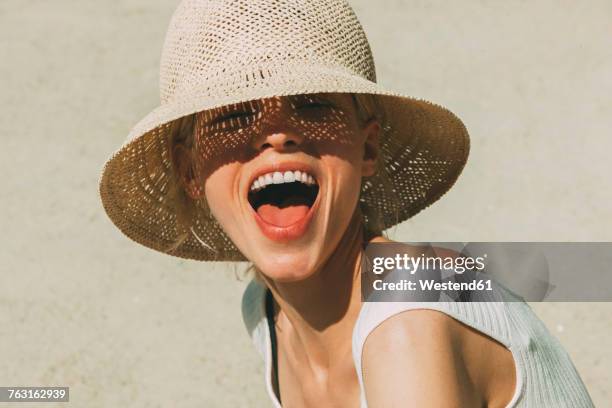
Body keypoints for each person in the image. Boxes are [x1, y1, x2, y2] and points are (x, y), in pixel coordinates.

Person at [99, 0, 595, 406]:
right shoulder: (266, 314)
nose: (276, 135)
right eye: (233, 117)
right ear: (189, 172)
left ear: (369, 148)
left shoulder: (409, 313)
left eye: (313, 104)